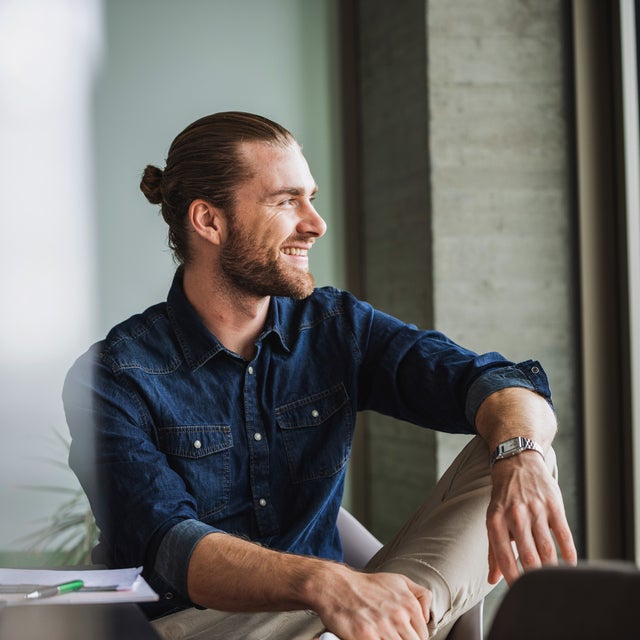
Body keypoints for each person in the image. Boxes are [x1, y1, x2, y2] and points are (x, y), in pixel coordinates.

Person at [63, 111, 577, 640]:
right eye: (286, 201)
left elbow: (490, 379)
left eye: (310, 197)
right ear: (209, 221)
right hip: (200, 626)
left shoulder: (338, 327)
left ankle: (395, 623)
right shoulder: (112, 376)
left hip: (343, 615)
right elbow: (168, 545)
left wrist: (522, 457)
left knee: (513, 444)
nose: (315, 223)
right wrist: (326, 584)